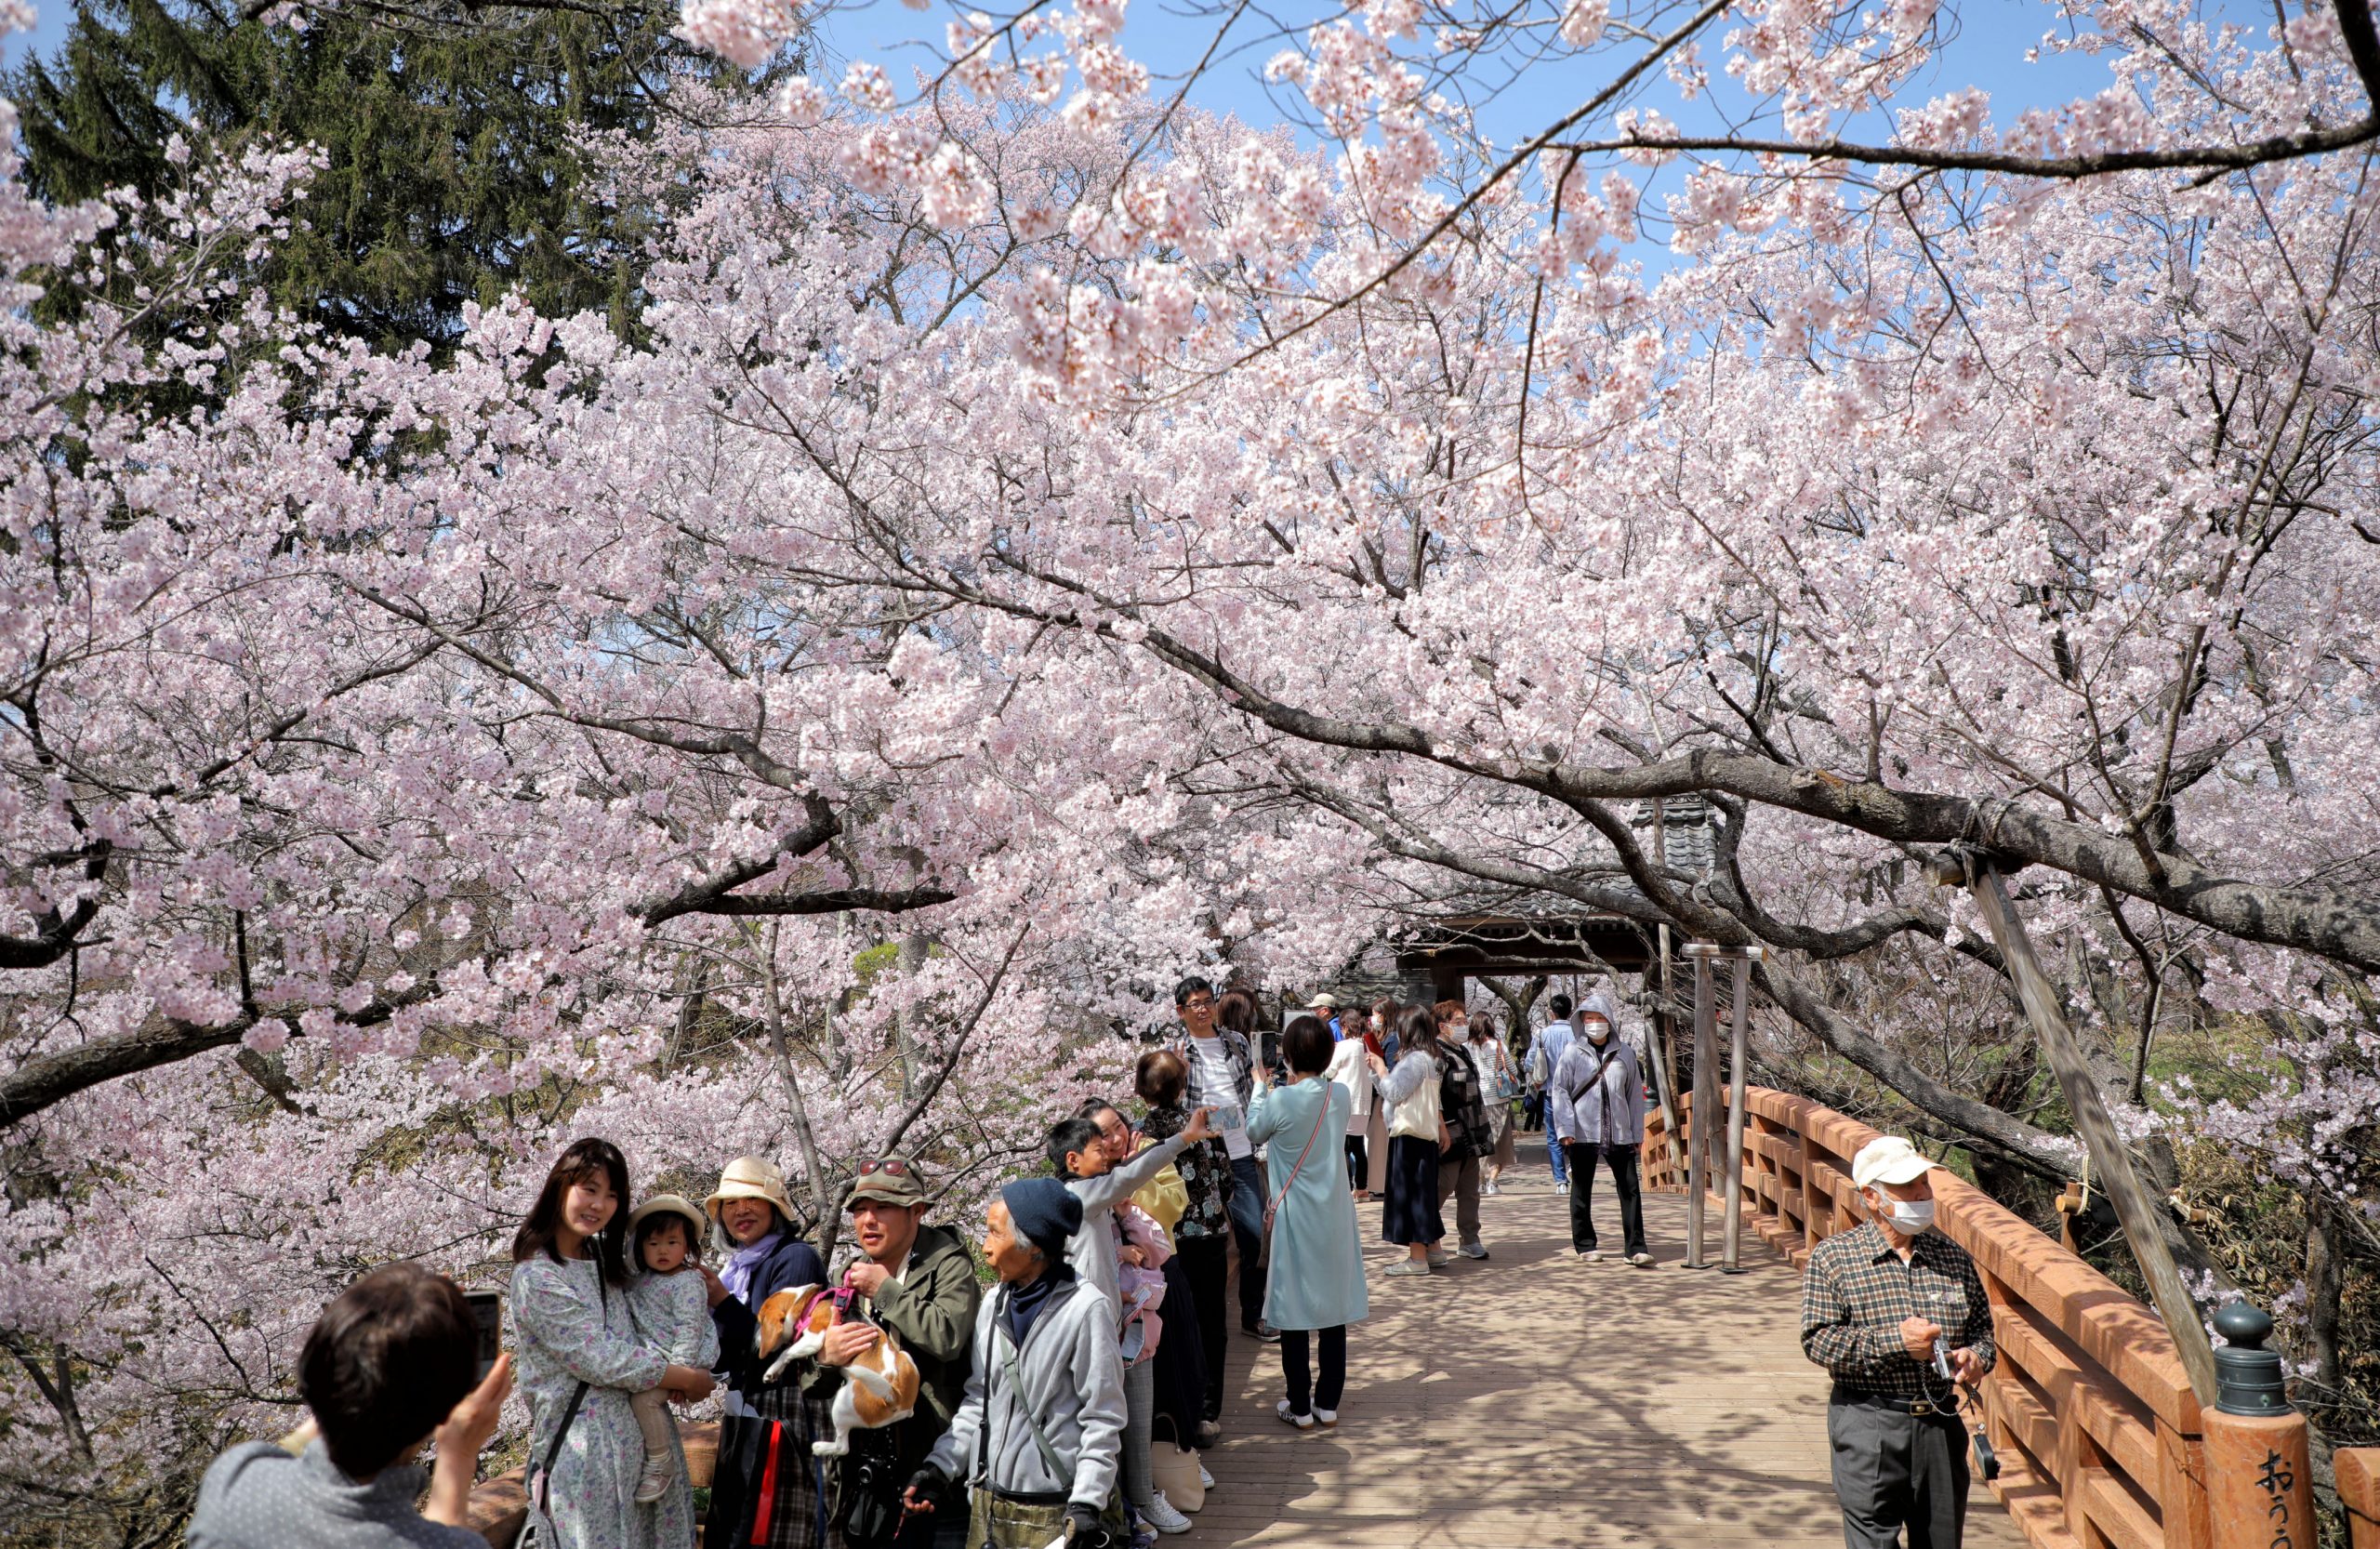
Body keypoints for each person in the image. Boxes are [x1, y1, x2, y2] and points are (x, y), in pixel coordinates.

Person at [187, 1263, 515, 1549]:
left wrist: (361, 1348)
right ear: (446, 1409)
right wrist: (457, 1456)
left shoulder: (235, 1479)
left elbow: (321, 1418)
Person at [509, 1139, 719, 1549]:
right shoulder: (538, 1277)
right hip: (588, 1457)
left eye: (611, 1195)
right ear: (559, 1186)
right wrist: (685, 1378)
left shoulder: (610, 1263)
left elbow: (651, 1322)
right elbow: (599, 1358)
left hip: (644, 1455)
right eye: (589, 1189)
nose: (599, 1204)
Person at [906, 1180, 1126, 1549]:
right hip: (989, 1505)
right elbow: (979, 1399)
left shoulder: (1086, 1309)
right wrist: (940, 1467)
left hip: (1058, 1511)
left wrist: (1087, 1501)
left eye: (995, 1233)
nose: (985, 1247)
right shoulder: (994, 1304)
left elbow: (1102, 1415)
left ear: (1035, 1245)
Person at [1802, 1136, 1998, 1549]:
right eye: (1909, 1187)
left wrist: (1975, 1358)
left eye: (1924, 1182)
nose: (1924, 1193)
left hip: (1941, 1423)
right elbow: (1818, 1342)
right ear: (1872, 1196)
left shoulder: (1953, 1256)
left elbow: (1984, 1334)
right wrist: (1896, 1341)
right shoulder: (1834, 1257)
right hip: (1868, 1419)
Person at [800, 1157, 980, 1549]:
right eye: (860, 1210)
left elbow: (948, 1336)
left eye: (883, 1208)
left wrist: (885, 1290)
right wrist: (825, 1358)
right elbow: (814, 1382)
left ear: (917, 1211)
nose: (868, 1220)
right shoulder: (848, 1273)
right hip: (864, 1465)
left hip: (932, 1459)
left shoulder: (949, 1264)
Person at [1054, 1104, 1212, 1538]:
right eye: (1096, 1143)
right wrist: (1185, 1138)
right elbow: (1130, 1177)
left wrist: (1122, 1242)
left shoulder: (1101, 1202)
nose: (1108, 1148)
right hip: (1098, 1332)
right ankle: (1123, 1512)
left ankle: (1138, 1502)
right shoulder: (1080, 1195)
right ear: (1073, 1160)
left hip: (1133, 1321)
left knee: (1137, 1417)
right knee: (1106, 1426)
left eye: (1114, 1131)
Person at [699, 1154, 834, 1549]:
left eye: (752, 1200)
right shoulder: (738, 1269)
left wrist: (723, 1303)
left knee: (768, 1532)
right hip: (748, 1416)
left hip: (785, 1420)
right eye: (730, 1203)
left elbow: (777, 1344)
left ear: (775, 1207)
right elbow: (725, 1357)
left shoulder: (794, 1258)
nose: (740, 1210)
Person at [1247, 1015, 1369, 1429]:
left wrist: (1259, 1087)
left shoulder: (1279, 1099)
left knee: (1293, 1308)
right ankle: (1328, 1403)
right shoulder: (1339, 1094)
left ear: (1287, 1055)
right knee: (1332, 1310)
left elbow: (1253, 1131)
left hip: (1295, 1217)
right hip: (1334, 1214)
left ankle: (1298, 1406)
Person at [1135, 1050, 1233, 1448]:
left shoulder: (1137, 1133)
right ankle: (1208, 1413)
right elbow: (1227, 1179)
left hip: (1164, 1243)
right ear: (1182, 1087)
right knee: (1211, 1324)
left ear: (1142, 1091)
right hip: (1208, 1234)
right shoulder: (1209, 1121)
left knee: (1172, 1326)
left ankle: (1177, 1412)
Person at [1170, 976, 1272, 1343]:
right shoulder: (1176, 1051)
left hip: (1241, 1150)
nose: (1202, 1008)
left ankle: (1254, 1313)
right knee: (1198, 1242)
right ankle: (1196, 1320)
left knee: (1255, 1235)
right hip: (1199, 1156)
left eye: (1207, 1001)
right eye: (1193, 1004)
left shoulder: (1236, 1041)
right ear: (1181, 1011)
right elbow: (1175, 1105)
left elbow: (1249, 1087)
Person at [626, 1195, 722, 1503]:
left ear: (688, 1247)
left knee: (644, 1401)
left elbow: (690, 1329)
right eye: (653, 1244)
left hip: (683, 1362)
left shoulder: (687, 1283)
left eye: (671, 1242)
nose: (663, 1250)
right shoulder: (641, 1281)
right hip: (660, 1363)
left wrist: (682, 1375)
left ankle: (660, 1462)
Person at [1548, 1010, 1651, 1264]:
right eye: (1589, 1019)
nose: (1595, 1024)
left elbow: (1634, 1097)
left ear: (1610, 1021)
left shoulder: (1625, 1053)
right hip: (1583, 1131)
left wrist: (1637, 1131)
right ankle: (1585, 1244)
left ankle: (1635, 1248)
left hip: (1619, 1131)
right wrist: (1565, 1129)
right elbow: (1560, 1090)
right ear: (1582, 1022)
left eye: (1599, 1018)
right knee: (1582, 1188)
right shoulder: (1572, 1051)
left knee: (1630, 1188)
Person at [1377, 1005, 1447, 1278]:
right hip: (1424, 1132)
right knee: (1423, 1193)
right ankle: (1434, 1250)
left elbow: (1394, 1092)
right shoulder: (1430, 1058)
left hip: (1409, 1133)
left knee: (1412, 1195)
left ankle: (1417, 1258)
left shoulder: (1414, 1060)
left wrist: (1381, 1070)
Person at [1431, 1000, 1496, 1262]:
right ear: (1442, 1026)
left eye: (1464, 1020)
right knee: (1443, 1183)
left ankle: (1470, 1238)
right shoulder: (1437, 1054)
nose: (1464, 1025)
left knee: (1470, 1188)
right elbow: (1433, 1093)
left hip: (1473, 1129)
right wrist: (1441, 1126)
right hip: (1451, 1129)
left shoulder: (1463, 1051)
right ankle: (1423, 1231)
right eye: (1458, 1022)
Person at [1323, 1024, 1384, 1203]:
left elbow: (1329, 1070)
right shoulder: (1367, 1045)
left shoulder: (1344, 1046)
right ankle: (1362, 1188)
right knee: (1358, 1147)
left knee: (1343, 1147)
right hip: (1363, 1102)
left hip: (1343, 1101)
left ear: (1344, 1027)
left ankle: (1347, 1188)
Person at [1525, 996, 1578, 1192]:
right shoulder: (1577, 1034)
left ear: (1551, 1012)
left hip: (1550, 1093)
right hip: (1576, 1093)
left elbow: (1530, 1063)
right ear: (1571, 1012)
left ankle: (1561, 1181)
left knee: (1554, 1137)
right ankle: (1576, 1168)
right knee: (1576, 1133)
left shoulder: (1542, 1034)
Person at [1469, 1012, 1520, 1193]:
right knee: (1500, 1141)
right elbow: (1513, 1070)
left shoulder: (1467, 1047)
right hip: (1498, 1099)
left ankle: (1479, 1180)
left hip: (1476, 1100)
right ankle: (1493, 1181)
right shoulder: (1499, 1046)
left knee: (1480, 1140)